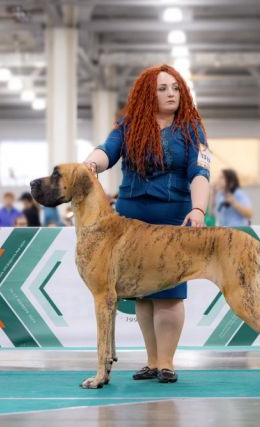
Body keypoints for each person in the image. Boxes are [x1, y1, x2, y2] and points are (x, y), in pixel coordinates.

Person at [82, 64, 210, 384]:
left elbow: (200, 171)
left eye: (176, 88)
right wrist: (91, 164)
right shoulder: (128, 124)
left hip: (173, 219)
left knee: (170, 292)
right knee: (143, 294)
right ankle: (152, 361)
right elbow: (107, 151)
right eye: (162, 88)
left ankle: (167, 363)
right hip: (130, 217)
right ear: (146, 94)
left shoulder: (192, 128)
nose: (171, 94)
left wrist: (198, 209)